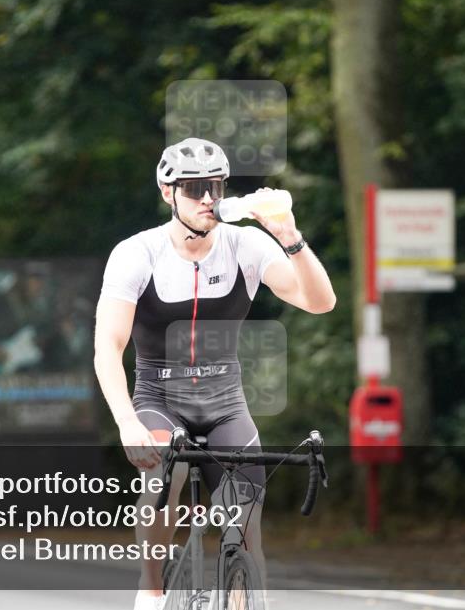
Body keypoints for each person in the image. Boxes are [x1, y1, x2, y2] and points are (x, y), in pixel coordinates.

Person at [94, 138, 336, 610]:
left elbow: (320, 301)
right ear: (169, 193)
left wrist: (291, 238)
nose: (208, 198)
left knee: (247, 534)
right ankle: (152, 586)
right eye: (195, 188)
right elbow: (109, 346)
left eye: (217, 187)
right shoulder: (136, 253)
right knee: (166, 472)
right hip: (159, 398)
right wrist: (127, 422)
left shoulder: (244, 244)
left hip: (226, 403)